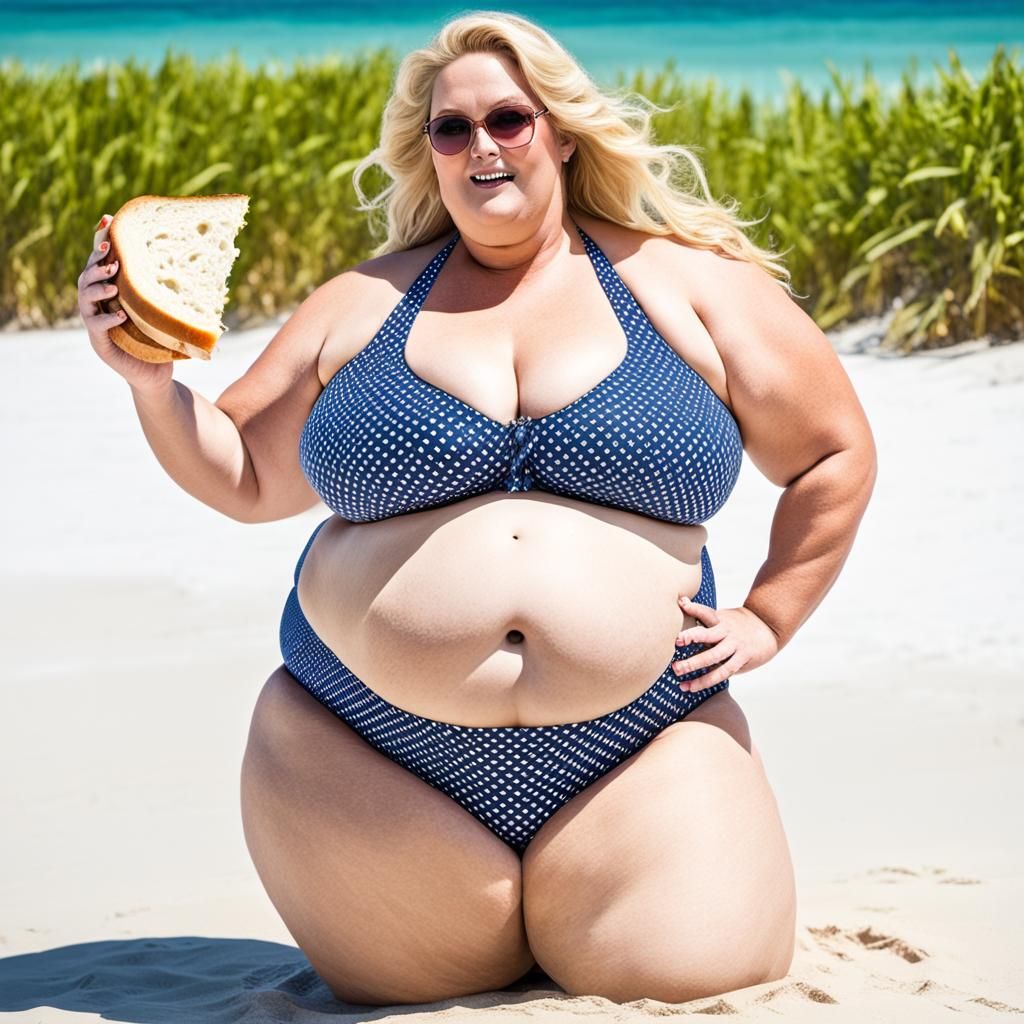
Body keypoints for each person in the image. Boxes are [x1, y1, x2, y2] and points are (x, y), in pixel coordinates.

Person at [77, 10, 876, 1008]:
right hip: (361, 760)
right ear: (429, 154)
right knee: (411, 989)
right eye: (451, 130)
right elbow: (243, 472)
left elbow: (834, 451)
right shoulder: (361, 302)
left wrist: (771, 613)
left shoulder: (682, 285)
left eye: (509, 118)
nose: (481, 145)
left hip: (640, 753)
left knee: (691, 979)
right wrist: (148, 386)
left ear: (563, 131)